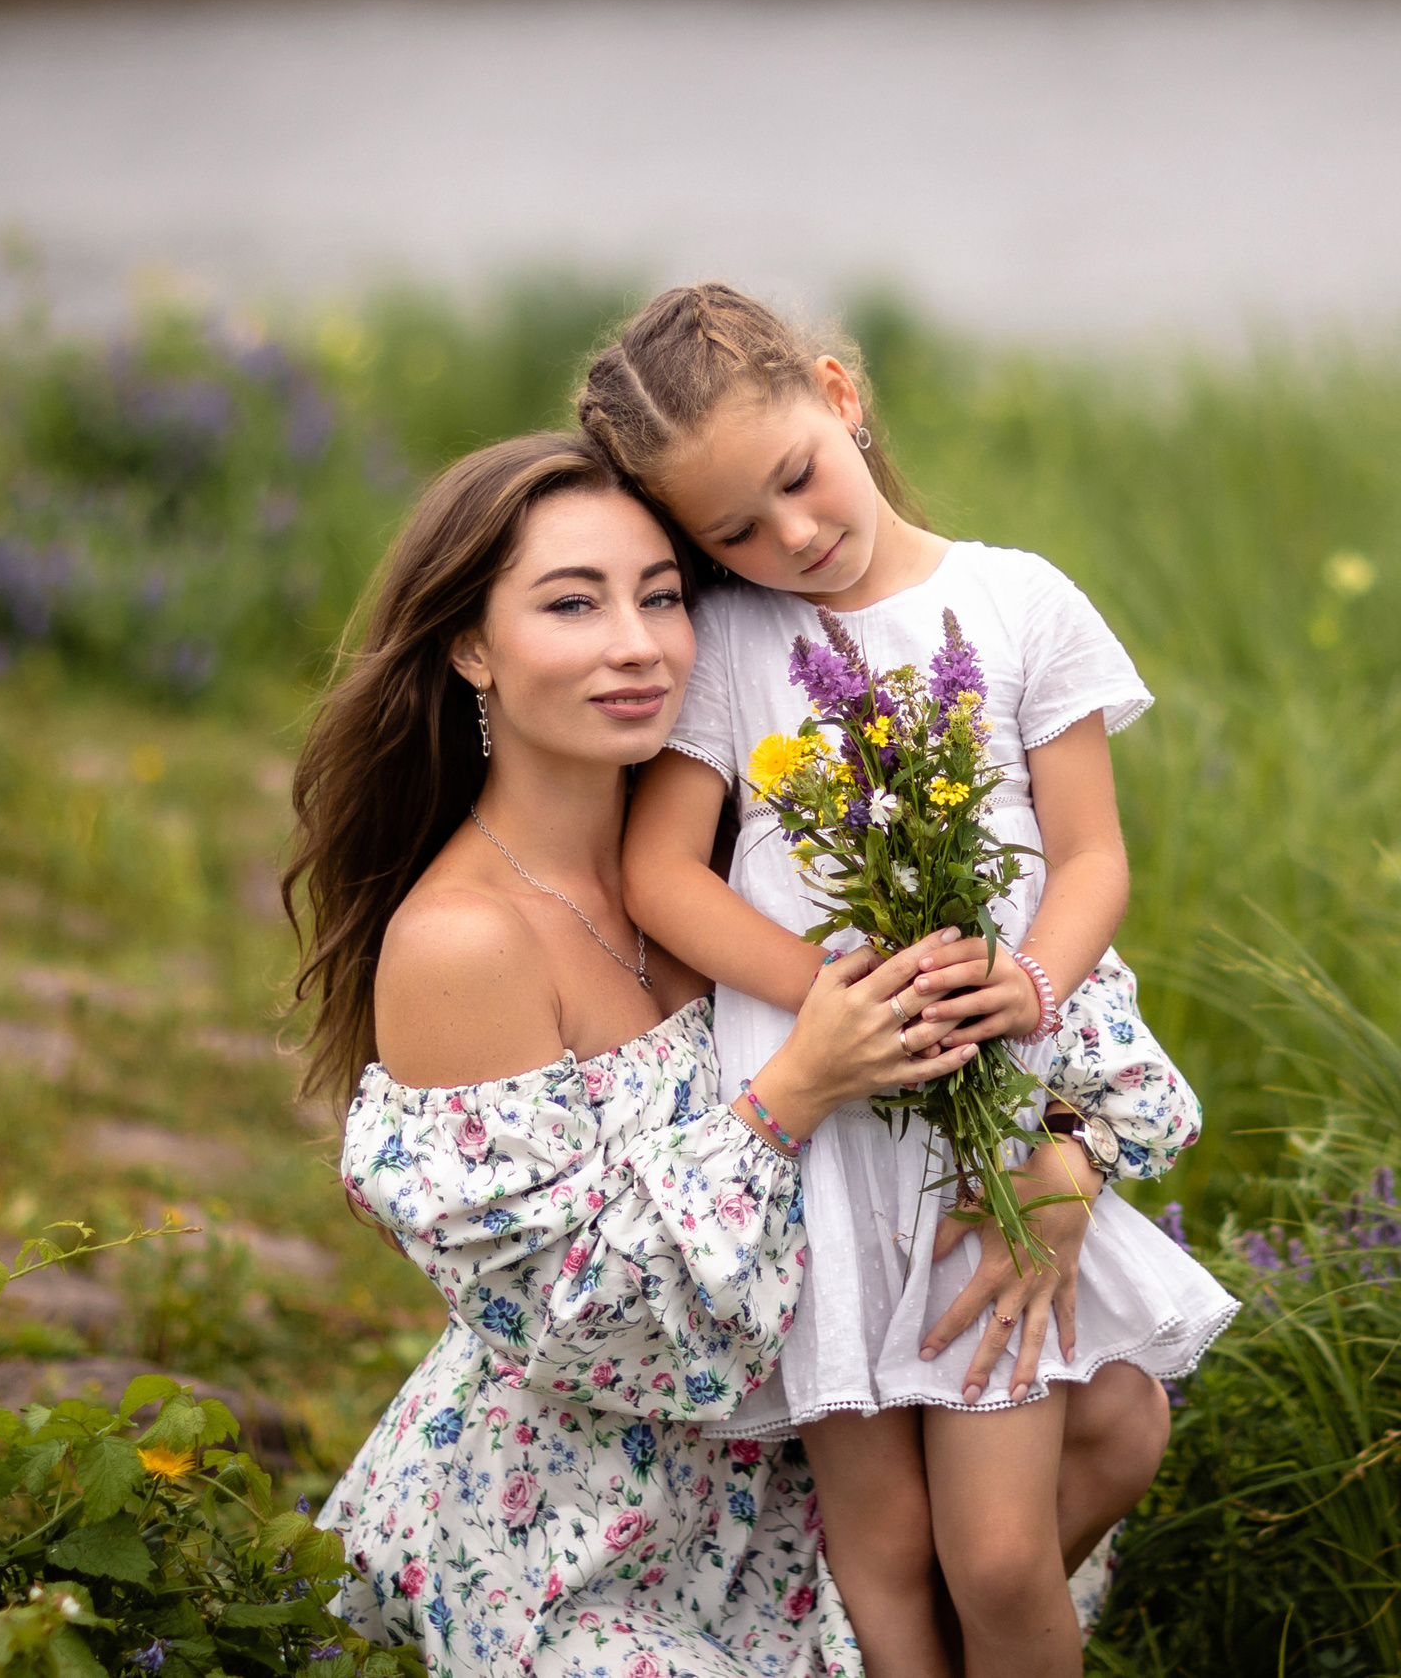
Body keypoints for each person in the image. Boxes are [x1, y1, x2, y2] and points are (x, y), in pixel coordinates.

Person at [282, 433, 1150, 1678]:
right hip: (595, 1522)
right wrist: (793, 1092)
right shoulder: (464, 941)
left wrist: (1067, 1153)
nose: (637, 646)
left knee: (1113, 1410)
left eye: (663, 597)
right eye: (571, 604)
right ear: (471, 644)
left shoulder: (744, 847)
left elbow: (1019, 980)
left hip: (818, 1452)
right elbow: (566, 1320)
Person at [579, 283, 1237, 1678]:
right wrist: (827, 996)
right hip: (823, 1148)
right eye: (733, 531)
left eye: (797, 481)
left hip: (977, 1137)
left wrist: (1035, 982)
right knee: (876, 1555)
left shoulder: (1015, 601)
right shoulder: (738, 642)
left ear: (840, 393)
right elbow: (662, 876)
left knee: (996, 1556)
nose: (791, 537)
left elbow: (1095, 859)